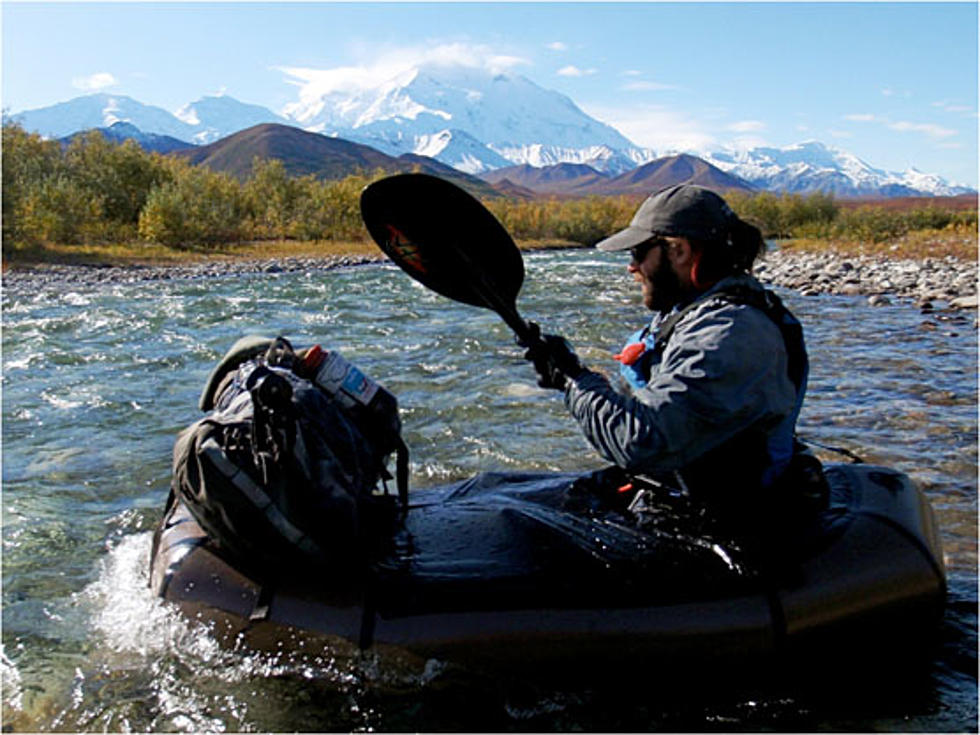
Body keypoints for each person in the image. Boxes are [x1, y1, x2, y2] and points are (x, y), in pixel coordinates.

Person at [523, 184, 814, 524]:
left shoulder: (730, 332)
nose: (632, 267)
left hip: (730, 519)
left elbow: (641, 441)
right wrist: (569, 372)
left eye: (638, 253)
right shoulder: (693, 312)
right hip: (683, 491)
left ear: (679, 250)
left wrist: (575, 384)